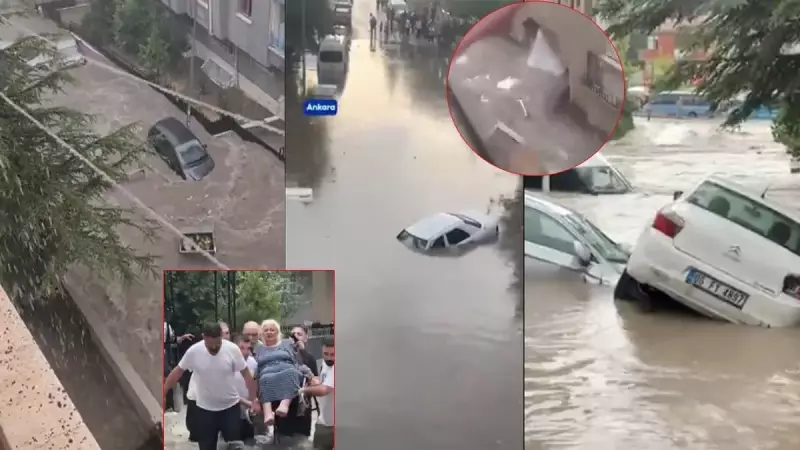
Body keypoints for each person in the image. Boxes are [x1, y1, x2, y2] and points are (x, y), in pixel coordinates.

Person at [163, 323, 260, 450]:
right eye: (210, 344)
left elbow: (247, 375)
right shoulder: (194, 351)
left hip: (230, 408)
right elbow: (177, 372)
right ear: (204, 337)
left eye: (217, 343)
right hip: (205, 410)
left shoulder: (231, 349)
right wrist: (163, 393)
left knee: (236, 446)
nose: (214, 347)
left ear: (221, 337)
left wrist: (254, 400)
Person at [254, 319, 315, 426]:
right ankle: (268, 414)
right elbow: (258, 365)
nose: (269, 332)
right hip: (267, 371)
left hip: (287, 369)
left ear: (277, 332)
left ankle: (284, 405)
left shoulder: (287, 343)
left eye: (272, 330)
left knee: (291, 372)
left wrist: (308, 372)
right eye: (266, 330)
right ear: (262, 334)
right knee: (264, 379)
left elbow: (297, 359)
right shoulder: (260, 348)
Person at [300, 337, 335, 450]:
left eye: (333, 354)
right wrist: (314, 380)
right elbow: (323, 381)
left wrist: (303, 390)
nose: (329, 357)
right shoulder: (325, 364)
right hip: (323, 422)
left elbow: (324, 390)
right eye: (326, 353)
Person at [232, 333, 258, 442]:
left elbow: (256, 385)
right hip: (230, 414)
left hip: (248, 414)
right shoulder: (227, 364)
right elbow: (224, 392)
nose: (245, 352)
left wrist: (254, 402)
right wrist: (246, 402)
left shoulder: (253, 363)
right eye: (241, 348)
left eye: (248, 348)